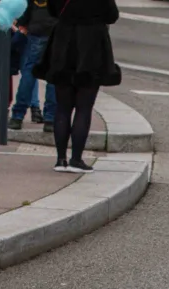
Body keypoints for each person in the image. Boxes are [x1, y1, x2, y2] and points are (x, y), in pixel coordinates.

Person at [34, 0, 121, 174]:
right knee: (84, 108)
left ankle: (60, 159)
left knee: (63, 107)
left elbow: (52, 10)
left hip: (63, 44)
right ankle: (76, 159)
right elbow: (112, 15)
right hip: (91, 47)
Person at [10, 0, 57, 133]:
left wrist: (23, 22)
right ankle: (50, 118)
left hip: (36, 30)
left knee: (29, 72)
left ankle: (18, 115)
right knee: (53, 75)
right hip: (55, 30)